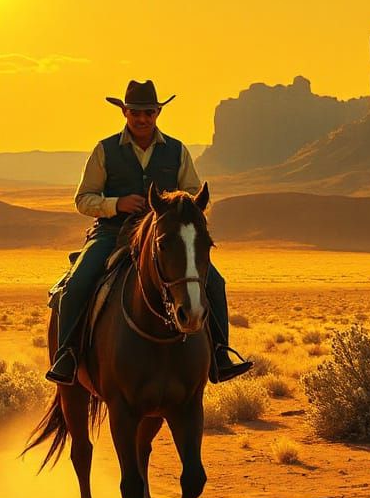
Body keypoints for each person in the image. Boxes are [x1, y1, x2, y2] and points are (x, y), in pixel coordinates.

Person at [45, 78, 253, 386]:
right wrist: (117, 204)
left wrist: (173, 203)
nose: (142, 119)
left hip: (164, 236)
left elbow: (194, 193)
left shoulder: (177, 151)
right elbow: (83, 199)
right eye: (135, 112)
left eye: (149, 113)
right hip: (112, 234)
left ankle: (220, 355)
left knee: (215, 282)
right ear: (125, 113)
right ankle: (67, 356)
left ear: (157, 113)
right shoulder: (104, 151)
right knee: (76, 284)